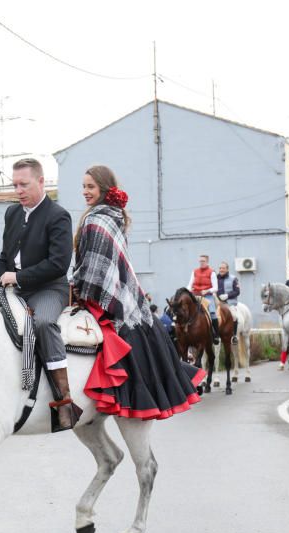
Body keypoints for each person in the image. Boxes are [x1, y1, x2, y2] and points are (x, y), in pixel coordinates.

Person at [72, 165, 203, 419]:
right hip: (118, 295)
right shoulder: (112, 216)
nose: (85, 192)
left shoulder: (97, 219)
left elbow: (95, 268)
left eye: (90, 186)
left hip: (102, 297)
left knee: (211, 313)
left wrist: (76, 285)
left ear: (103, 188)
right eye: (83, 186)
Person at [0, 157, 78, 431]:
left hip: (50, 288)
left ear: (41, 182)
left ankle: (65, 402)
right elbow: (5, 257)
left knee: (42, 323)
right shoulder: (12, 214)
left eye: (23, 184)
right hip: (16, 288)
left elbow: (59, 263)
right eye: (15, 185)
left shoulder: (58, 215)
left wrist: (18, 277)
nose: (18, 191)